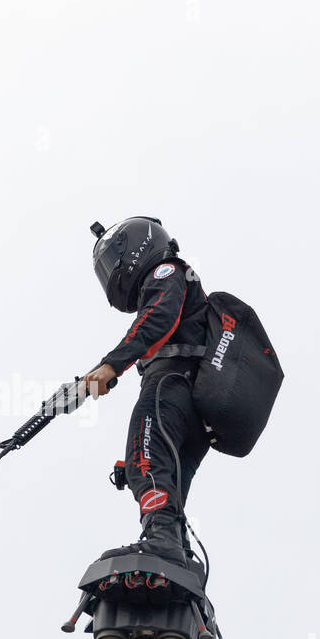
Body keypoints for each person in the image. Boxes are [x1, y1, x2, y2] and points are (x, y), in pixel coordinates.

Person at [82, 217, 210, 568]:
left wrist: (111, 365)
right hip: (195, 405)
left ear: (135, 247)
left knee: (146, 458)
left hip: (172, 383)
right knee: (169, 479)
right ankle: (178, 555)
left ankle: (162, 542)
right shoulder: (178, 277)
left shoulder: (166, 272)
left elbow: (156, 320)